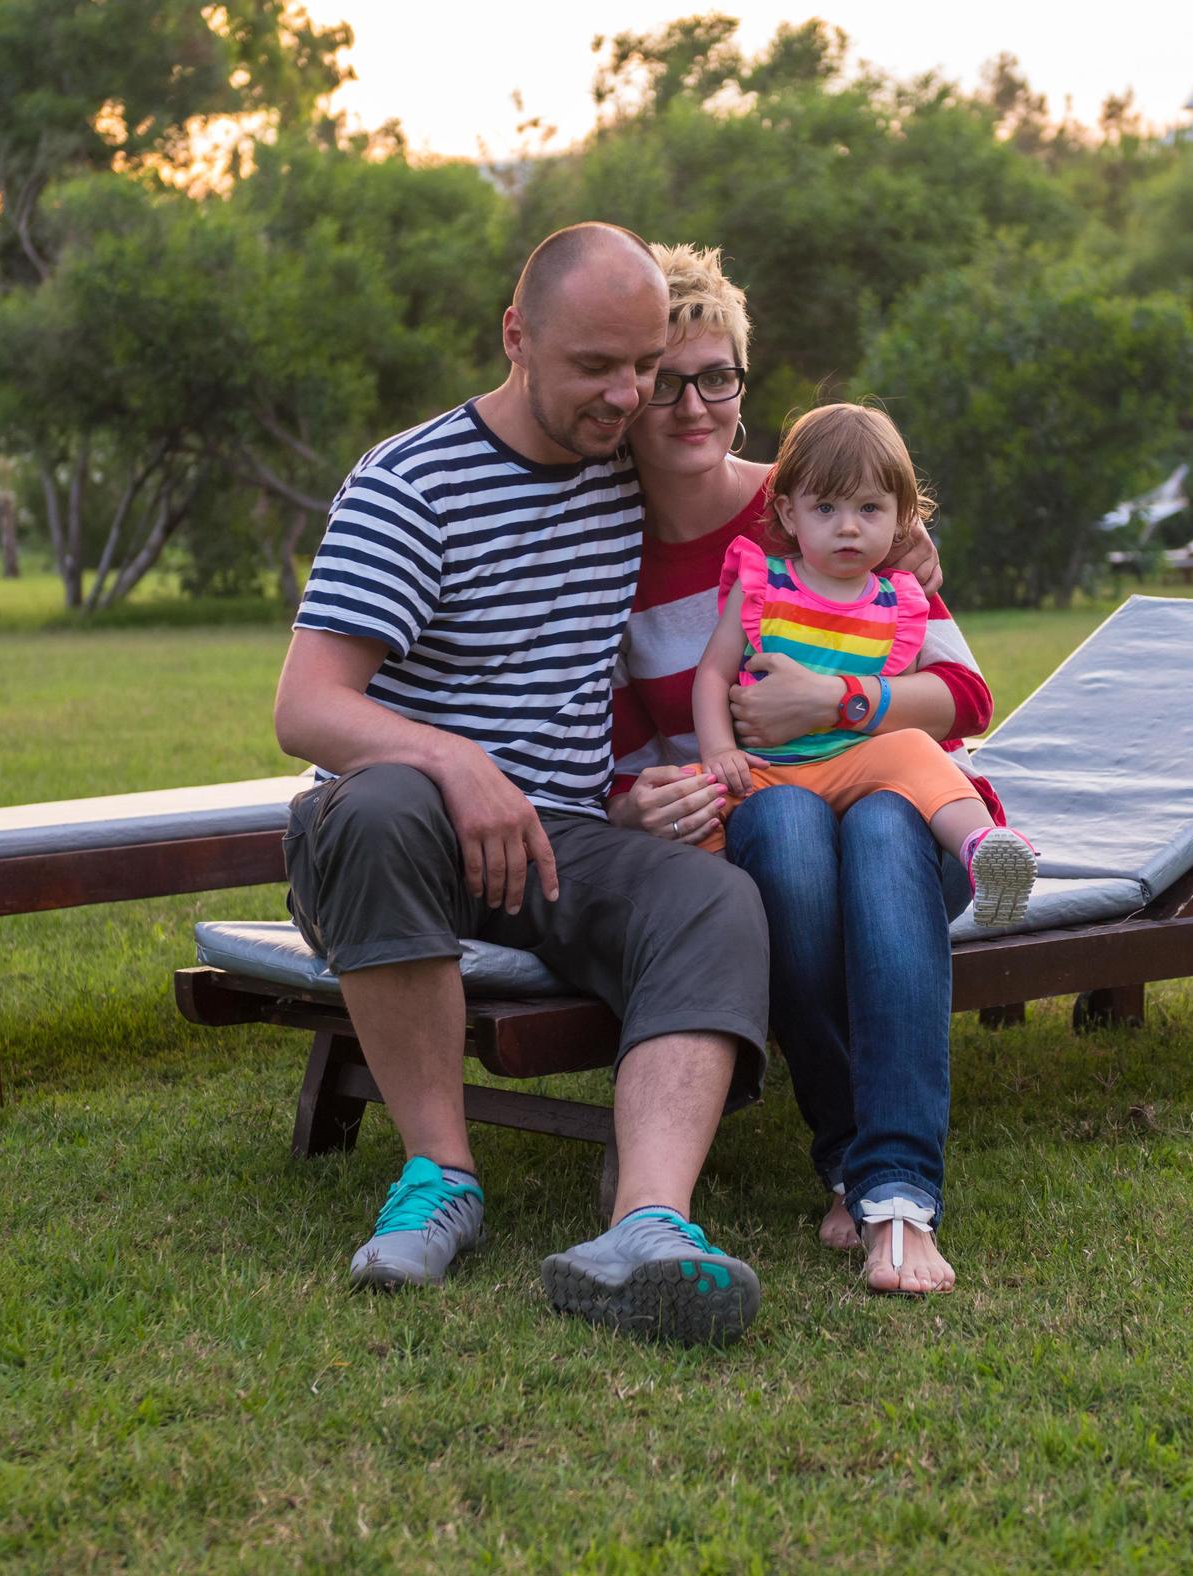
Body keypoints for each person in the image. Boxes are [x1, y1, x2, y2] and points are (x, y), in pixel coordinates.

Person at [273, 221, 773, 1348]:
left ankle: (645, 1225)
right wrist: (457, 762)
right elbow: (305, 707)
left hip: (555, 840)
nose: (628, 397)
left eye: (642, 366)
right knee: (391, 799)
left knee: (714, 897)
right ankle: (440, 1174)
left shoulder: (624, 467)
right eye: (596, 366)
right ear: (516, 336)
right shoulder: (411, 483)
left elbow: (763, 491)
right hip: (388, 840)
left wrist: (900, 555)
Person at [604, 246, 995, 1296]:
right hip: (759, 821)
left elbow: (964, 696)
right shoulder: (601, 554)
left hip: (908, 811)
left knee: (869, 834)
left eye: (717, 375)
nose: (693, 404)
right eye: (665, 379)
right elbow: (599, 759)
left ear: (743, 384)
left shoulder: (826, 496)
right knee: (785, 840)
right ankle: (856, 1163)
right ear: (628, 391)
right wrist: (639, 803)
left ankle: (898, 1195)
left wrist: (837, 701)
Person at [687, 403, 1037, 936]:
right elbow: (712, 673)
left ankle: (984, 850)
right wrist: (718, 751)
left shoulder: (900, 598)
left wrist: (839, 700)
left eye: (869, 508)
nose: (848, 528)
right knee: (695, 801)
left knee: (916, 752)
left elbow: (945, 698)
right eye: (825, 508)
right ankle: (714, 922)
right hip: (767, 769)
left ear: (902, 517)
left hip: (859, 764)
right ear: (787, 513)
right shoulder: (762, 584)